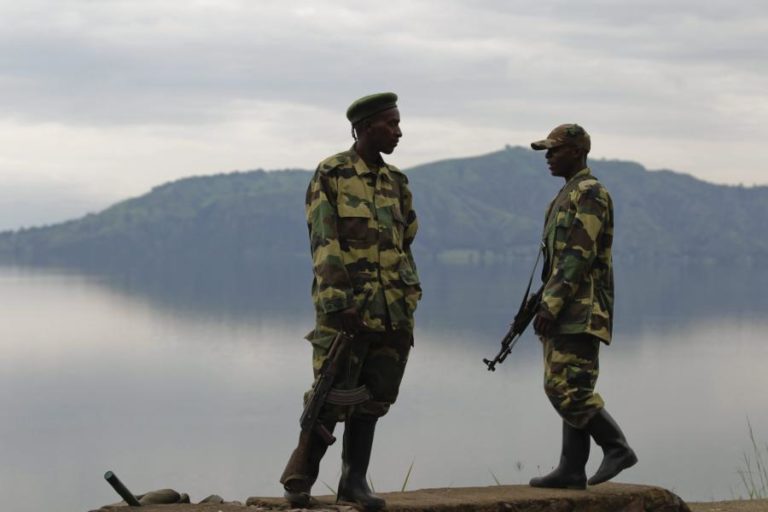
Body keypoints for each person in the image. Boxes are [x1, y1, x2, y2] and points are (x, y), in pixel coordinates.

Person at [279, 92, 421, 510]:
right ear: (364, 127)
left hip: (393, 309)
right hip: (347, 311)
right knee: (330, 394)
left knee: (374, 399)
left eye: (398, 123)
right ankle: (299, 480)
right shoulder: (333, 173)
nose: (398, 132)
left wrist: (409, 295)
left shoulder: (397, 182)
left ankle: (354, 483)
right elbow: (324, 241)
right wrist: (340, 302)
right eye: (391, 124)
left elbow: (406, 241)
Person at [529, 123, 637, 489]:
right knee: (568, 383)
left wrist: (551, 304)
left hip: (581, 309)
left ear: (577, 151)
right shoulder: (565, 195)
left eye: (554, 149)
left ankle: (616, 447)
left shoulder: (590, 192)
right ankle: (571, 469)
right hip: (566, 307)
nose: (548, 156)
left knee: (566, 388)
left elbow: (578, 253)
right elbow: (557, 260)